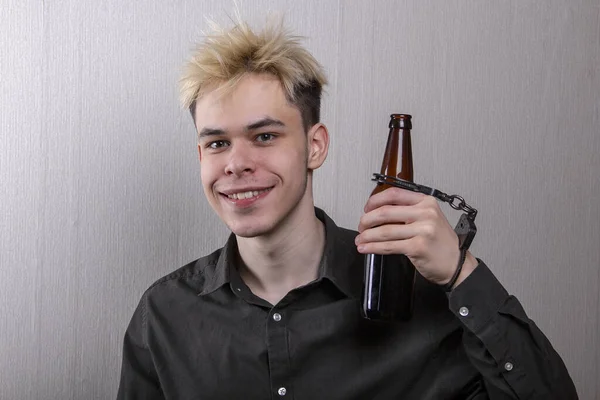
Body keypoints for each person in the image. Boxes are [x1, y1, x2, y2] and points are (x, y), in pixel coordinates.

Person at [117, 19, 577, 400]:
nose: (236, 164)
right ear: (202, 158)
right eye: (217, 142)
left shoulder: (423, 298)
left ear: (315, 146)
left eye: (265, 136)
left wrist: (463, 274)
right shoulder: (162, 315)